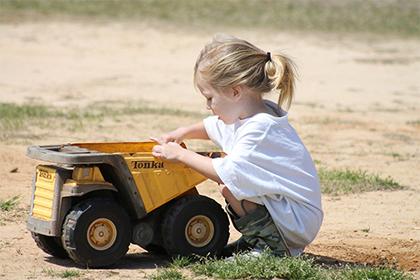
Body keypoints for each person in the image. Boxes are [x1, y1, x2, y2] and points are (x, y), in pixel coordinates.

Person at [151, 34, 323, 257]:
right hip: (290, 214)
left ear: (235, 91)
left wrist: (181, 155)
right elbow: (213, 126)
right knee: (230, 189)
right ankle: (258, 240)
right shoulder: (251, 115)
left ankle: (272, 249)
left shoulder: (259, 130)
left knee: (231, 184)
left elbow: (226, 171)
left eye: (210, 98)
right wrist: (181, 133)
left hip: (296, 219)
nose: (207, 106)